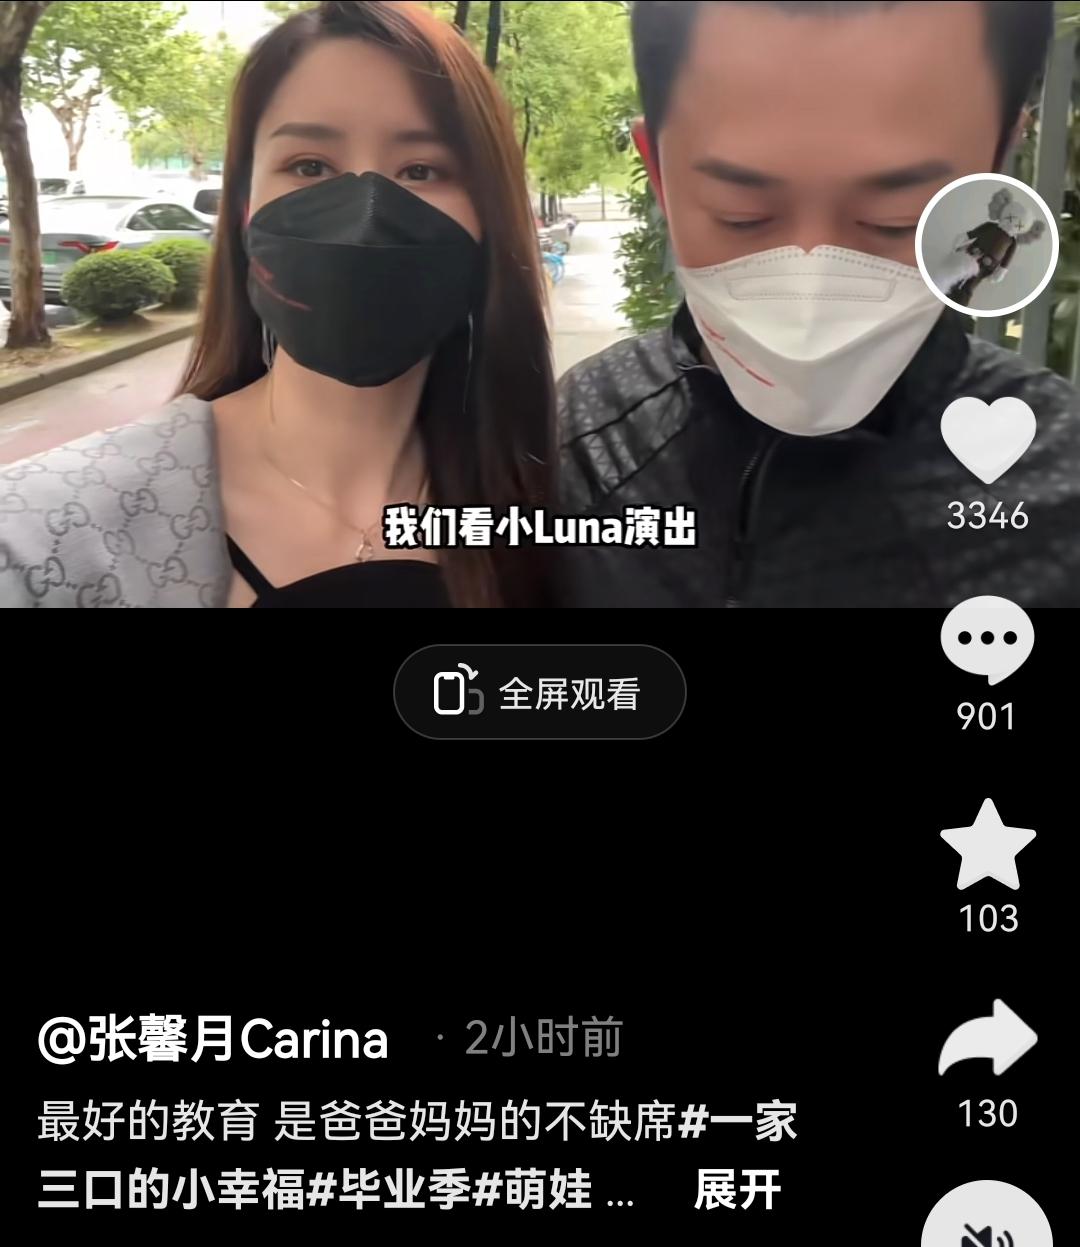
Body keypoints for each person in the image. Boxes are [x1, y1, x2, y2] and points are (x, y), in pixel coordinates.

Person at [0, 0, 555, 609]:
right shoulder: (46, 539)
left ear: (490, 216)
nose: (363, 220)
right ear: (244, 209)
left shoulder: (550, 506)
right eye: (309, 166)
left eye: (421, 170)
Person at [558, 0, 1080, 608]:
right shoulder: (576, 447)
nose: (810, 293)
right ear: (659, 172)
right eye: (742, 216)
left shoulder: (1059, 484)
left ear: (994, 163)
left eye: (894, 220)